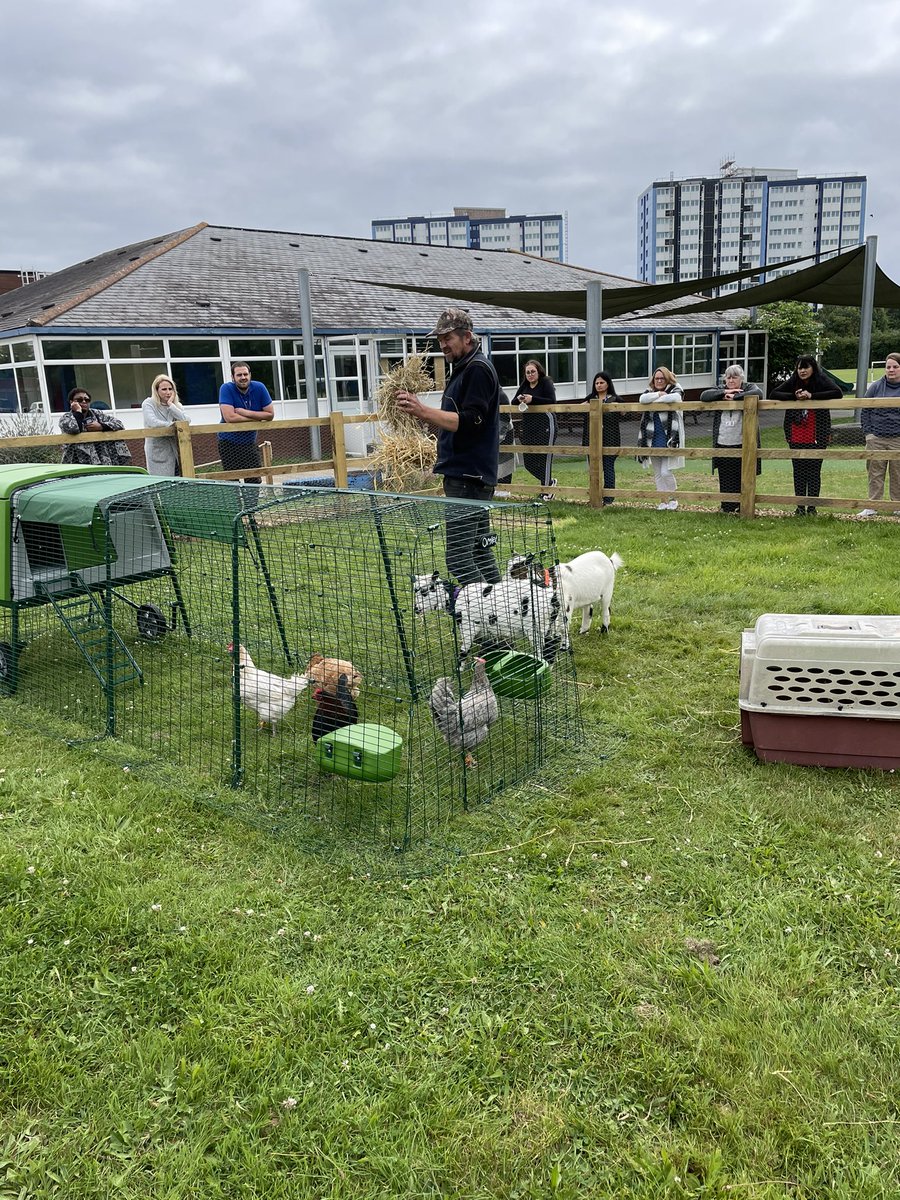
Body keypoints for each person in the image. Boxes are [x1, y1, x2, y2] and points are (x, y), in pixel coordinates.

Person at [395, 307, 502, 587]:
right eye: (439, 339)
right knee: (479, 550)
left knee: (458, 558)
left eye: (448, 338)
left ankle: (485, 617)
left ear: (467, 337)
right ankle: (508, 609)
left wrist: (422, 410)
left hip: (468, 477)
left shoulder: (477, 369)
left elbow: (471, 421)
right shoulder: (467, 367)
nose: (442, 344)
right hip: (471, 474)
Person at [770, 356, 841, 515]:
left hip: (817, 434)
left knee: (814, 470)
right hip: (796, 434)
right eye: (799, 368)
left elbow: (838, 393)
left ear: (813, 368)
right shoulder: (794, 381)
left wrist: (812, 396)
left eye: (806, 367)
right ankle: (800, 506)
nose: (802, 371)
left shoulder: (821, 379)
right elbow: (774, 393)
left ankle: (812, 507)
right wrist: (794, 397)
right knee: (799, 470)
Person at [699, 364, 762, 513]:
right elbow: (704, 396)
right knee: (725, 476)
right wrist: (725, 392)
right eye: (728, 377)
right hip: (722, 443)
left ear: (742, 378)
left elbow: (758, 393)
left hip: (743, 443)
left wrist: (735, 396)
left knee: (743, 477)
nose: (731, 379)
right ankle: (726, 508)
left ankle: (743, 508)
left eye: (735, 377)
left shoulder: (749, 387)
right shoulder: (720, 389)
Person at [858, 351, 900, 517]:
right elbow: (865, 410)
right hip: (877, 438)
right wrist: (869, 434)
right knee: (875, 473)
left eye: (895, 367)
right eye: (888, 367)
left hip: (898, 438)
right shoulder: (875, 386)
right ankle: (872, 505)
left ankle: (897, 506)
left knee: (898, 473)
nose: (891, 370)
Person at [217, 361, 274, 483]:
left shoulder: (259, 387)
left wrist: (245, 412)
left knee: (254, 479)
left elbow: (270, 415)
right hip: (228, 442)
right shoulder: (226, 388)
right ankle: (235, 503)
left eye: (245, 374)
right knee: (232, 481)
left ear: (250, 375)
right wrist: (258, 417)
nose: (243, 377)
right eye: (239, 375)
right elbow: (230, 418)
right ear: (233, 377)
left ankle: (251, 503)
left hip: (249, 442)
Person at [638, 366, 685, 510]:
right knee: (658, 473)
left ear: (667, 378)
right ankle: (663, 501)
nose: (659, 380)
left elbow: (676, 398)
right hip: (652, 437)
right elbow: (642, 399)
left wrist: (653, 401)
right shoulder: (651, 392)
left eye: (662, 378)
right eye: (656, 378)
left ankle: (673, 498)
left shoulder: (676, 389)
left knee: (666, 471)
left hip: (669, 437)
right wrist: (658, 395)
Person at [515, 359, 557, 499]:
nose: (530, 375)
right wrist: (521, 398)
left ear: (538, 371)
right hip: (529, 426)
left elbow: (551, 400)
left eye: (533, 371)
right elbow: (513, 401)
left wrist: (533, 399)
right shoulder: (525, 385)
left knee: (544, 457)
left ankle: (546, 492)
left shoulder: (546, 382)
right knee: (529, 462)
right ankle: (550, 483)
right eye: (528, 372)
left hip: (546, 424)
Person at [59, 388, 131, 467]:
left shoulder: (97, 414)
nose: (84, 402)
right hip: (77, 463)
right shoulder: (66, 418)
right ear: (72, 402)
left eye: (87, 400)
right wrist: (78, 412)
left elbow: (119, 424)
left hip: (103, 460)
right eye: (79, 400)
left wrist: (101, 426)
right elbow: (74, 429)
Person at [582, 371, 620, 505]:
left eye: (601, 382)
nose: (599, 385)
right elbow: (580, 410)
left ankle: (609, 498)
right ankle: (595, 497)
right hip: (591, 440)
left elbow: (624, 414)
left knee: (608, 467)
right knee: (593, 469)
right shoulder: (590, 398)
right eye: (596, 383)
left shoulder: (615, 399)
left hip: (610, 440)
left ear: (608, 384)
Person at [141, 374, 191, 476]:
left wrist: (171, 405)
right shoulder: (148, 403)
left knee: (179, 482)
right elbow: (152, 422)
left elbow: (187, 421)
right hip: (157, 450)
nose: (168, 392)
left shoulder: (176, 405)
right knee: (160, 483)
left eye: (170, 389)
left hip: (176, 450)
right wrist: (173, 425)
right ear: (156, 390)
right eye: (164, 389)